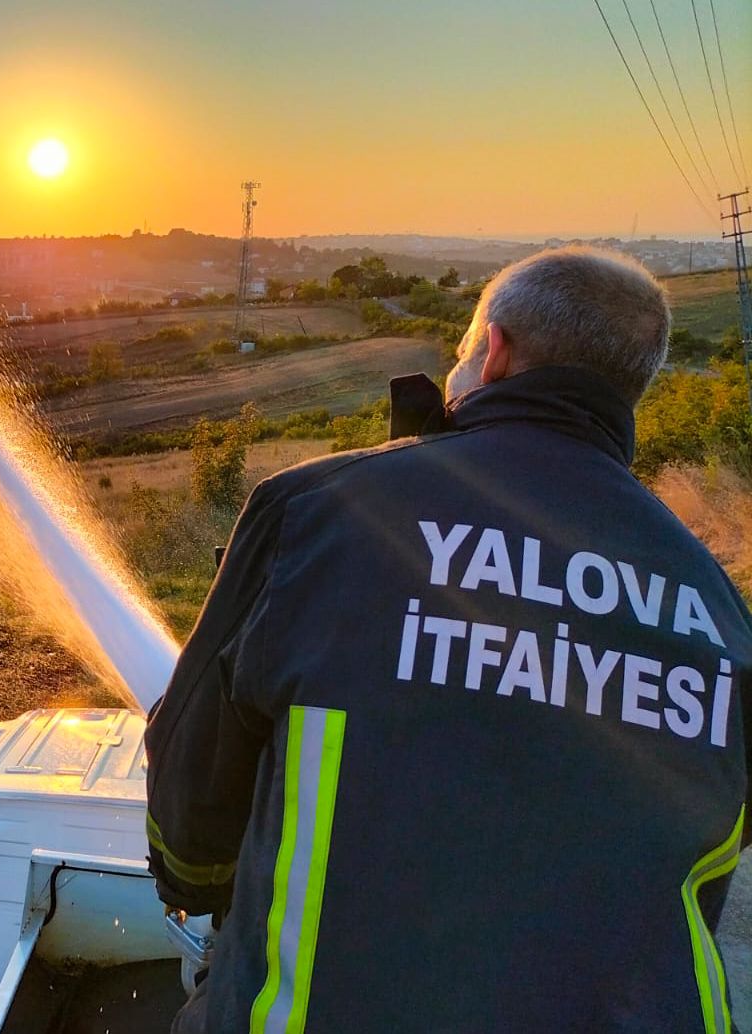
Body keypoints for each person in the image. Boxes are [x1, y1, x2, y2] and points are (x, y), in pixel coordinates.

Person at [146, 245, 752, 1033]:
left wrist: (195, 882)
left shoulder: (321, 510)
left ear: (494, 351)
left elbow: (193, 799)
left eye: (462, 352)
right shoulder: (716, 607)